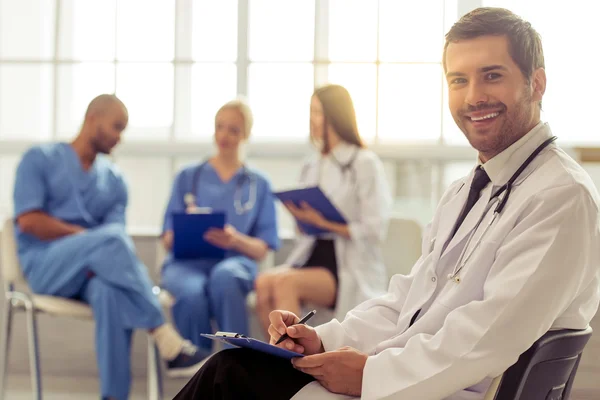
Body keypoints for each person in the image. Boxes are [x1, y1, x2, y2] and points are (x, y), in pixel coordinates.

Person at [173, 7, 600, 400]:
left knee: (230, 377)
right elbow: (406, 302)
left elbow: (488, 336)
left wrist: (370, 375)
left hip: (436, 389)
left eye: (492, 76)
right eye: (458, 80)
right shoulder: (467, 191)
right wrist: (325, 339)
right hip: (408, 373)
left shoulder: (559, 197)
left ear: (536, 83)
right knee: (237, 366)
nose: (473, 97)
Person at [12, 94, 207, 400]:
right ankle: (166, 338)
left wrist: (97, 246)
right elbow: (29, 221)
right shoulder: (39, 159)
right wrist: (85, 238)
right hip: (46, 268)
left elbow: (113, 240)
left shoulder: (115, 181)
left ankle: (114, 397)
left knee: (110, 291)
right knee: (110, 240)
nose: (120, 137)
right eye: (117, 127)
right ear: (93, 118)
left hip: (94, 274)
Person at [253, 84, 392, 337]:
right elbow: (303, 233)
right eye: (311, 112)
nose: (312, 120)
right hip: (312, 254)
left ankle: (294, 368)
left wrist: (325, 223)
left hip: (345, 265)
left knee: (286, 282)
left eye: (317, 112)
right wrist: (302, 219)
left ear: (335, 115)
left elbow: (375, 230)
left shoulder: (364, 163)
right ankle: (277, 361)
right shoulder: (313, 164)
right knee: (263, 282)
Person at [160, 99, 280, 375]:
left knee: (225, 278)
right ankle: (197, 371)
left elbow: (262, 248)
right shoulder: (187, 177)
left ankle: (233, 370)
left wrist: (235, 240)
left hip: (235, 262)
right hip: (186, 264)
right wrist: (188, 225)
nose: (224, 136)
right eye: (219, 128)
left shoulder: (258, 184)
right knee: (191, 292)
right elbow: (166, 238)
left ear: (246, 134)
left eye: (233, 130)